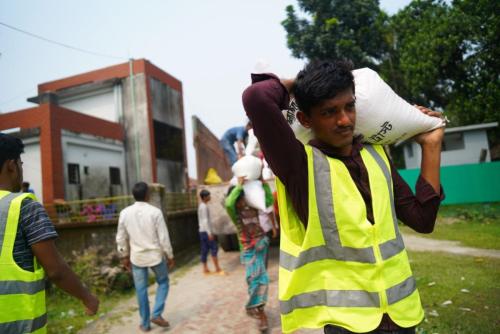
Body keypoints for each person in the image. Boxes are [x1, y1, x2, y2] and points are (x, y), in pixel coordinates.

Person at [242, 60, 445, 334]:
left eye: (349, 107)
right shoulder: (299, 167)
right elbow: (256, 98)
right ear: (305, 119)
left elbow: (423, 220)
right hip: (348, 325)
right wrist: (296, 85)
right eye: (329, 112)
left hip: (403, 316)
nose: (344, 120)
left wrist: (431, 146)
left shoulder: (377, 157)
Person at [0, 133, 99, 333]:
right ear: (11, 165)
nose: (21, 169)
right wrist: (87, 297)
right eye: (20, 163)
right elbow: (56, 271)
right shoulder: (23, 206)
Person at [116, 182, 175, 332]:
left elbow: (121, 237)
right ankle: (157, 313)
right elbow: (163, 237)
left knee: (141, 290)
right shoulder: (155, 212)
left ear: (133, 195)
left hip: (137, 258)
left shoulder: (125, 213)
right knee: (163, 282)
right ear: (147, 195)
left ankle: (145, 324)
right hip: (155, 255)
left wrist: (124, 255)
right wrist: (170, 255)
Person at [225, 178, 270, 332]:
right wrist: (239, 186)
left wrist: (263, 184)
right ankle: (258, 309)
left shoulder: (253, 205)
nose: (242, 202)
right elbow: (229, 203)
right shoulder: (234, 212)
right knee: (254, 279)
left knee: (260, 278)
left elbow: (268, 200)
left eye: (244, 197)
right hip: (248, 249)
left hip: (261, 244)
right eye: (240, 199)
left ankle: (259, 311)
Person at [197, 189, 224, 275]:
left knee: (204, 249)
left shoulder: (201, 206)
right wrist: (209, 233)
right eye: (208, 195)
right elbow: (205, 221)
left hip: (202, 231)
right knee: (214, 248)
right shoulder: (204, 207)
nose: (210, 197)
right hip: (206, 231)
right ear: (204, 197)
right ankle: (217, 268)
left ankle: (205, 269)